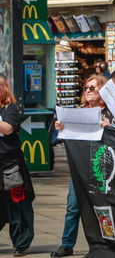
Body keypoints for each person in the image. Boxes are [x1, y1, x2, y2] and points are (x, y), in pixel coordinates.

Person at [51, 75, 113, 258]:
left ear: (101, 90)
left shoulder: (109, 113)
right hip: (80, 167)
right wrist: (60, 127)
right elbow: (65, 137)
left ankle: (103, 245)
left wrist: (109, 126)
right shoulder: (79, 110)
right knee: (73, 206)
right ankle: (67, 244)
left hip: (101, 168)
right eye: (86, 87)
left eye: (92, 88)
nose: (87, 90)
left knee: (101, 208)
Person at [0, 76, 35, 257]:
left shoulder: (10, 109)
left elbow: (7, 129)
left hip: (10, 166)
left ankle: (22, 243)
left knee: (18, 207)